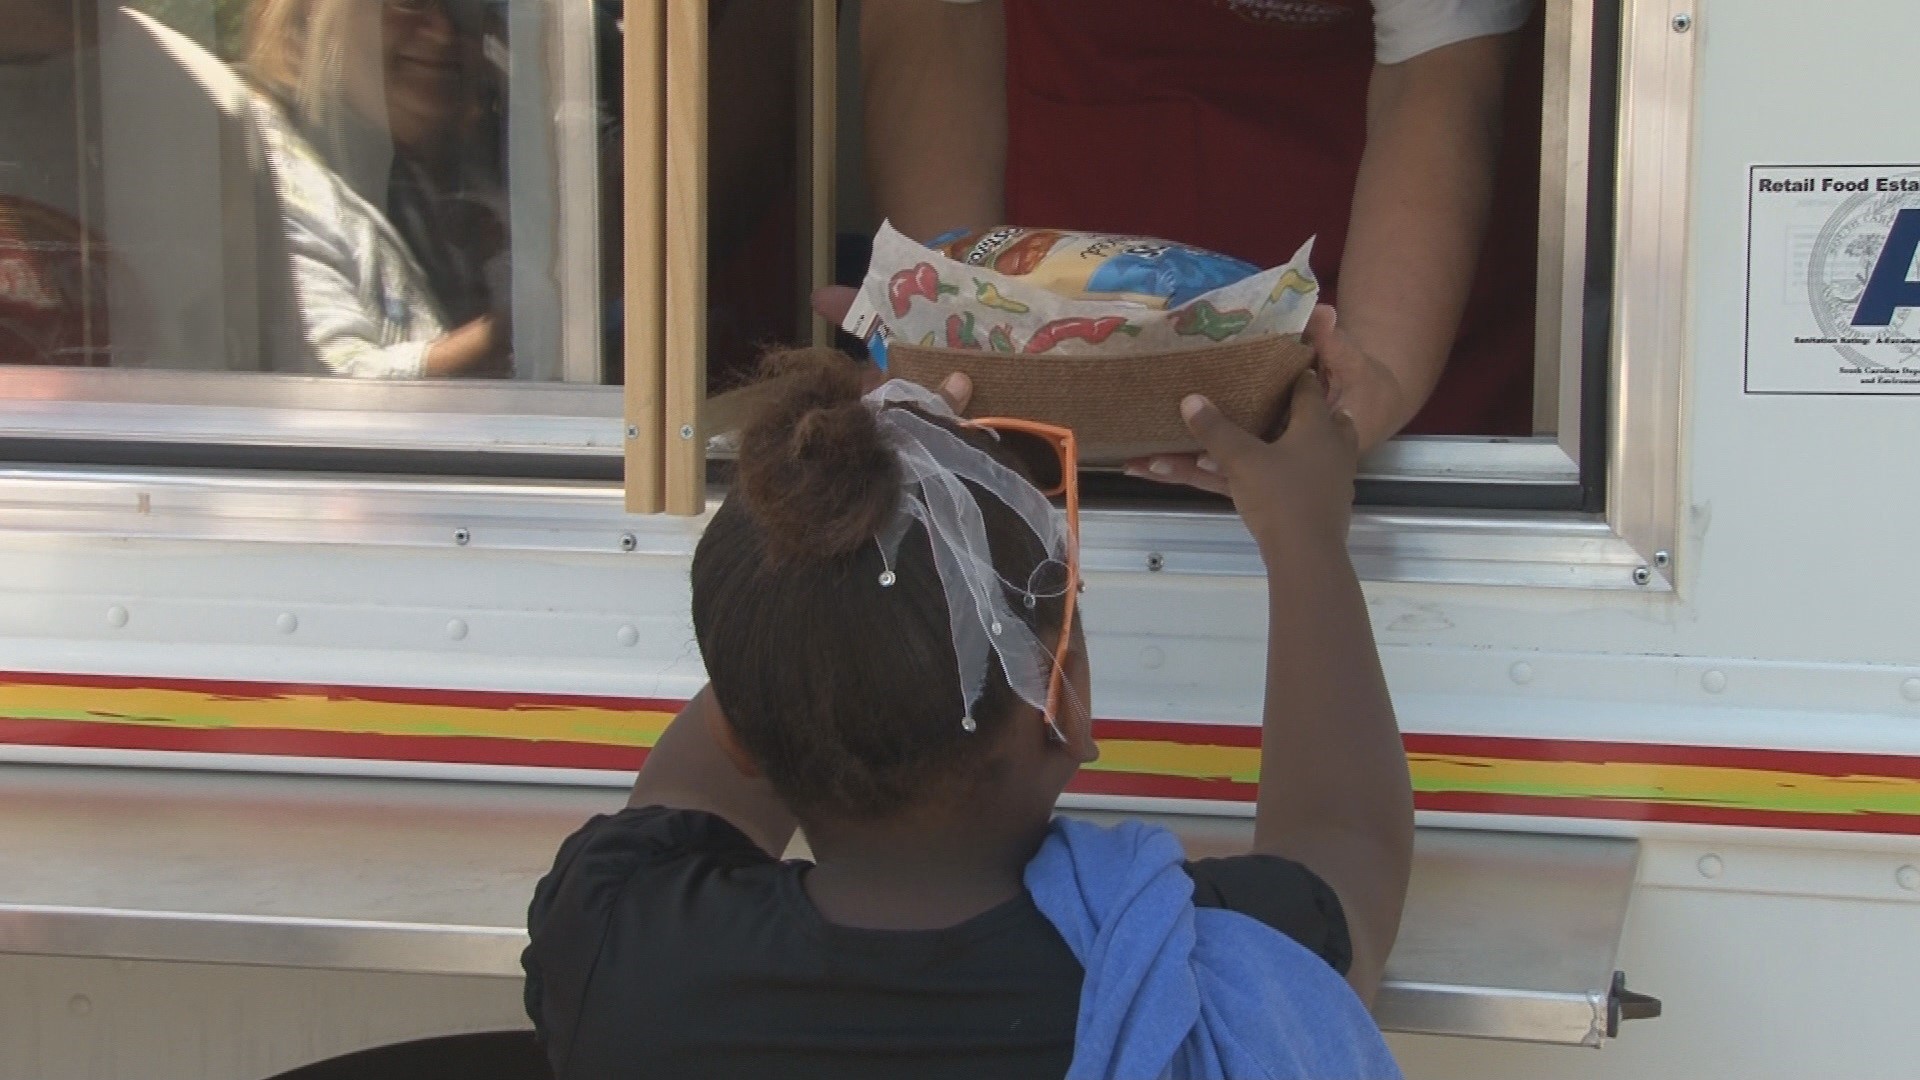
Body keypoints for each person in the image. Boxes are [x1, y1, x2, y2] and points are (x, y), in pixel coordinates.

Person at [522, 350, 1414, 1078]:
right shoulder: (1198, 974)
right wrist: (1305, 534)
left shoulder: (620, 947)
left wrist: (835, 511)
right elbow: (1347, 846)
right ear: (1061, 702)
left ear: (738, 733)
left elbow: (703, 780)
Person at [852, 0, 1543, 470]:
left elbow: (1438, 71)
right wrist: (945, 326)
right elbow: (938, 22)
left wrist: (1369, 384)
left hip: (1380, 282)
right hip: (1047, 268)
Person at [244, 0, 512, 379]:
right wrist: (549, 317)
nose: (444, 31)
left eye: (465, 8)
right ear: (311, 12)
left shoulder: (421, 168)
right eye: (409, 4)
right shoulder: (270, 173)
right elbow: (337, 388)